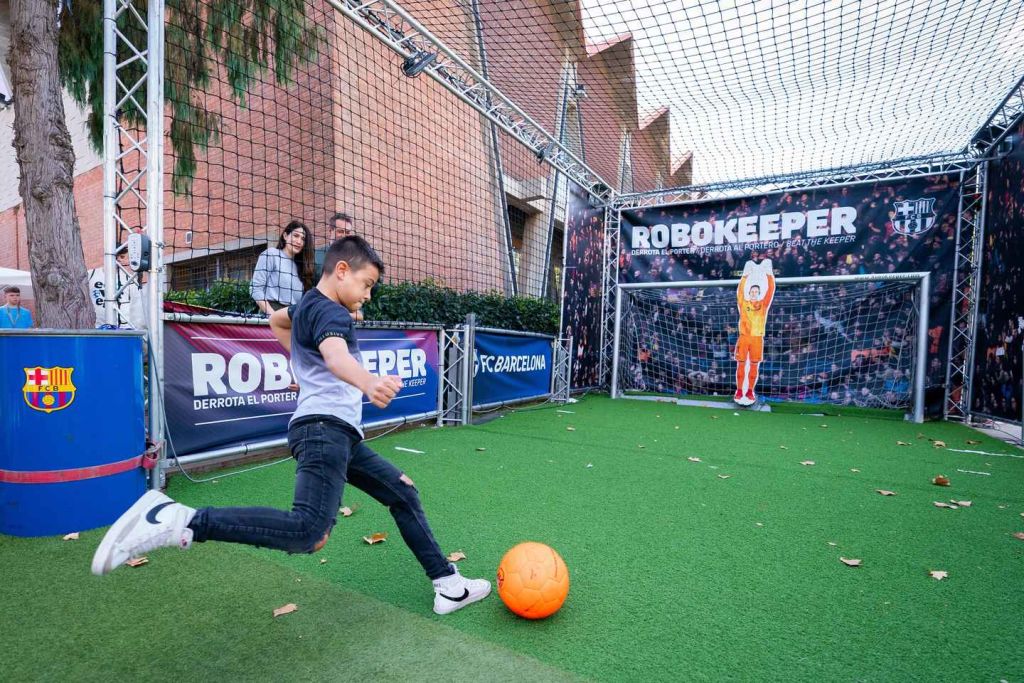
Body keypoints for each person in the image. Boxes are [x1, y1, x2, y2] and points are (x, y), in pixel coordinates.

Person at [92, 236, 491, 616]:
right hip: (325, 431)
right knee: (308, 532)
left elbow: (277, 323)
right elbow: (336, 357)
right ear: (341, 270)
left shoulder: (305, 306)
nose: (368, 295)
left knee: (402, 491)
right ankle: (180, 520)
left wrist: (304, 366)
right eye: (367, 284)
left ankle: (448, 584)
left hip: (336, 434)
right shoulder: (332, 312)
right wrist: (369, 382)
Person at [250, 220, 315, 314]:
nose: (299, 241)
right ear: (285, 236)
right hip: (271, 314)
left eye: (303, 239)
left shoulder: (301, 267)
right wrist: (272, 315)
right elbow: (255, 289)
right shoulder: (272, 254)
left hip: (292, 316)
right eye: (296, 236)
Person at [734, 260, 775, 405]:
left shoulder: (763, 305)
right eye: (752, 292)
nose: (753, 294)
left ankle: (750, 391)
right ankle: (740, 390)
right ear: (749, 293)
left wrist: (769, 275)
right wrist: (745, 276)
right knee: (741, 364)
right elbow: (740, 291)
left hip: (757, 338)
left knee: (753, 365)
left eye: (756, 292)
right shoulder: (744, 303)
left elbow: (770, 291)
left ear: (759, 294)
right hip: (744, 337)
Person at [88, 246, 146, 329]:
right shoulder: (91, 274)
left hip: (123, 328)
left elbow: (136, 305)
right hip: (96, 327)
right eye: (115, 256)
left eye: (122, 257)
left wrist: (136, 327)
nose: (118, 259)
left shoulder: (129, 278)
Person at [315, 212, 355, 276]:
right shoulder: (316, 255)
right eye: (340, 231)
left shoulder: (355, 257)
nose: (344, 235)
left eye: (347, 232)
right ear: (331, 231)